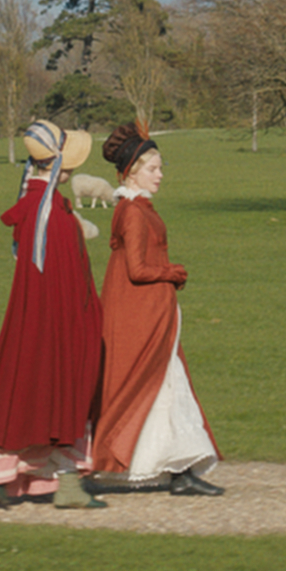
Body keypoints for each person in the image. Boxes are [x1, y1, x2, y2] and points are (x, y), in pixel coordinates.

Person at [0, 119, 109, 509]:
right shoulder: (47, 212)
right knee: (50, 392)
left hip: (47, 321)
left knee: (38, 393)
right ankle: (47, 483)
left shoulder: (42, 205)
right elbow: (60, 280)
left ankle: (23, 481)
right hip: (54, 323)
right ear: (60, 164)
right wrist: (80, 323)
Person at [88, 119, 223, 495]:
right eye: (153, 168)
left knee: (167, 381)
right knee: (153, 382)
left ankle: (178, 469)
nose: (160, 175)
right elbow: (137, 268)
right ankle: (165, 470)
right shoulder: (132, 212)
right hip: (139, 312)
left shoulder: (139, 208)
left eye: (160, 168)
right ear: (132, 173)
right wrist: (173, 272)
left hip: (150, 311)